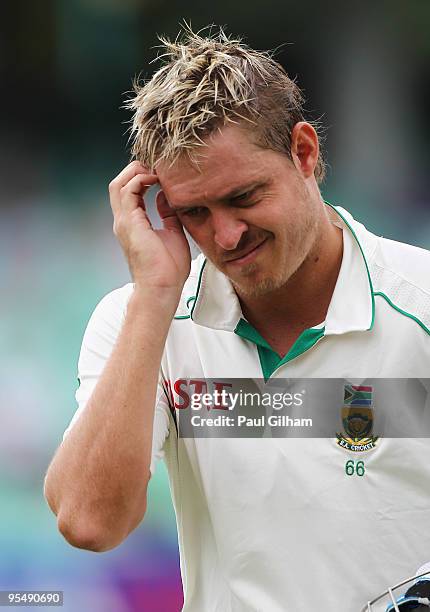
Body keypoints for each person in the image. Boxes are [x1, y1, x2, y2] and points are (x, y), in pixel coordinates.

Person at [44, 27, 430, 612]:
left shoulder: (421, 301)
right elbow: (89, 522)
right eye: (194, 212)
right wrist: (154, 293)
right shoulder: (140, 320)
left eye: (245, 197)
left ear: (304, 153)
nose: (225, 237)